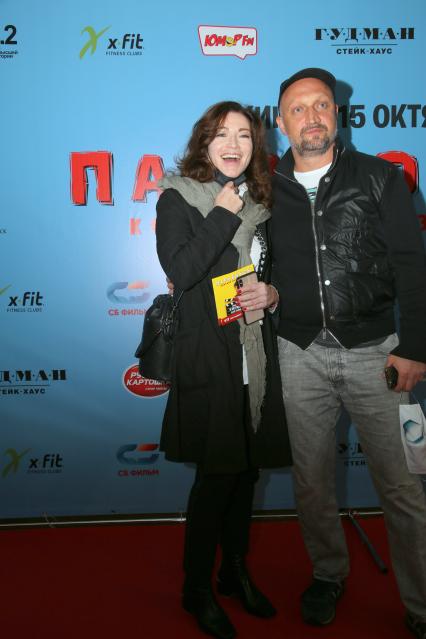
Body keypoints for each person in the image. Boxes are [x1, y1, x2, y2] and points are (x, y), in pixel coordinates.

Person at [267, 66, 426, 637]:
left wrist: (415, 347)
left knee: (403, 486)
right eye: (298, 108)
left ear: (336, 113)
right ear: (281, 122)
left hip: (377, 352)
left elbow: (413, 266)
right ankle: (328, 573)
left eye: (321, 105)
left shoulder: (382, 178)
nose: (311, 117)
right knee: (311, 481)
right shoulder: (266, 188)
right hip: (298, 352)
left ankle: (422, 603)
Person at [155, 101, 292, 639]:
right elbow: (180, 270)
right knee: (216, 478)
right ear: (204, 142)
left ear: (256, 146)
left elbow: (273, 274)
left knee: (246, 474)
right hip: (209, 357)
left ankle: (234, 572)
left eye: (244, 135)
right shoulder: (178, 197)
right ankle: (196, 588)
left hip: (255, 356)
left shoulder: (262, 203)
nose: (233, 145)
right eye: (222, 134)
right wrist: (221, 212)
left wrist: (272, 293)